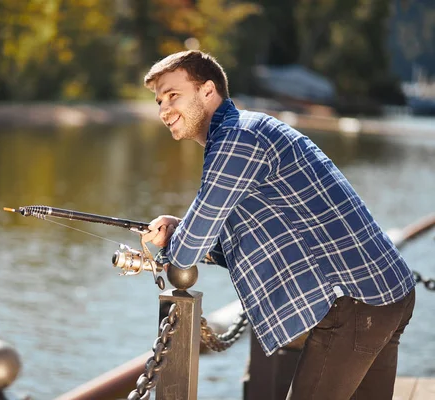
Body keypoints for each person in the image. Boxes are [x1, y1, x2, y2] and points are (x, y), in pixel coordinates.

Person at [141, 50, 415, 400]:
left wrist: (175, 241)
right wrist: (182, 228)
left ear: (208, 91)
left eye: (173, 95)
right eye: (159, 100)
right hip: (387, 291)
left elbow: (187, 250)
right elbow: (235, 240)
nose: (164, 109)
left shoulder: (237, 139)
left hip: (357, 302)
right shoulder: (248, 131)